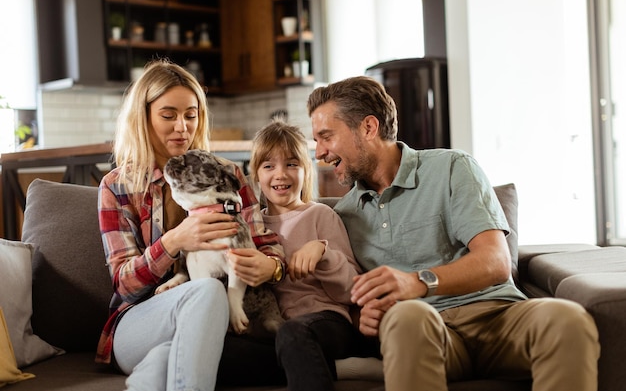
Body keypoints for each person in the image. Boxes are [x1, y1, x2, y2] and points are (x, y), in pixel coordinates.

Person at [307, 75, 601, 391]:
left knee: (567, 319)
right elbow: (345, 298)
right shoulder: (341, 216)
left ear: (368, 128)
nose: (319, 152)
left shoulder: (451, 167)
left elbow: (495, 261)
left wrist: (417, 281)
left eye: (326, 137)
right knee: (407, 321)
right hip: (425, 331)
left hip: (499, 317)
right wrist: (360, 318)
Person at [95, 59, 286, 391]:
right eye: (168, 116)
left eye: (191, 115)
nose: (182, 127)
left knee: (160, 368)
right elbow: (124, 284)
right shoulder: (117, 186)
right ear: (143, 117)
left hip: (210, 326)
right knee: (209, 289)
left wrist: (270, 267)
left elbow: (264, 242)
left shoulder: (227, 174)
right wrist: (174, 242)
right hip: (139, 324)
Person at [248, 120, 364, 391]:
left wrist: (323, 252)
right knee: (220, 352)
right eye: (269, 166)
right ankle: (333, 368)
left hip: (325, 321)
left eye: (291, 164)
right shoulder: (251, 226)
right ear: (256, 175)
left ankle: (304, 359)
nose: (281, 174)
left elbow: (351, 290)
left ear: (305, 170)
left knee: (293, 334)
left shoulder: (320, 215)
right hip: (275, 331)